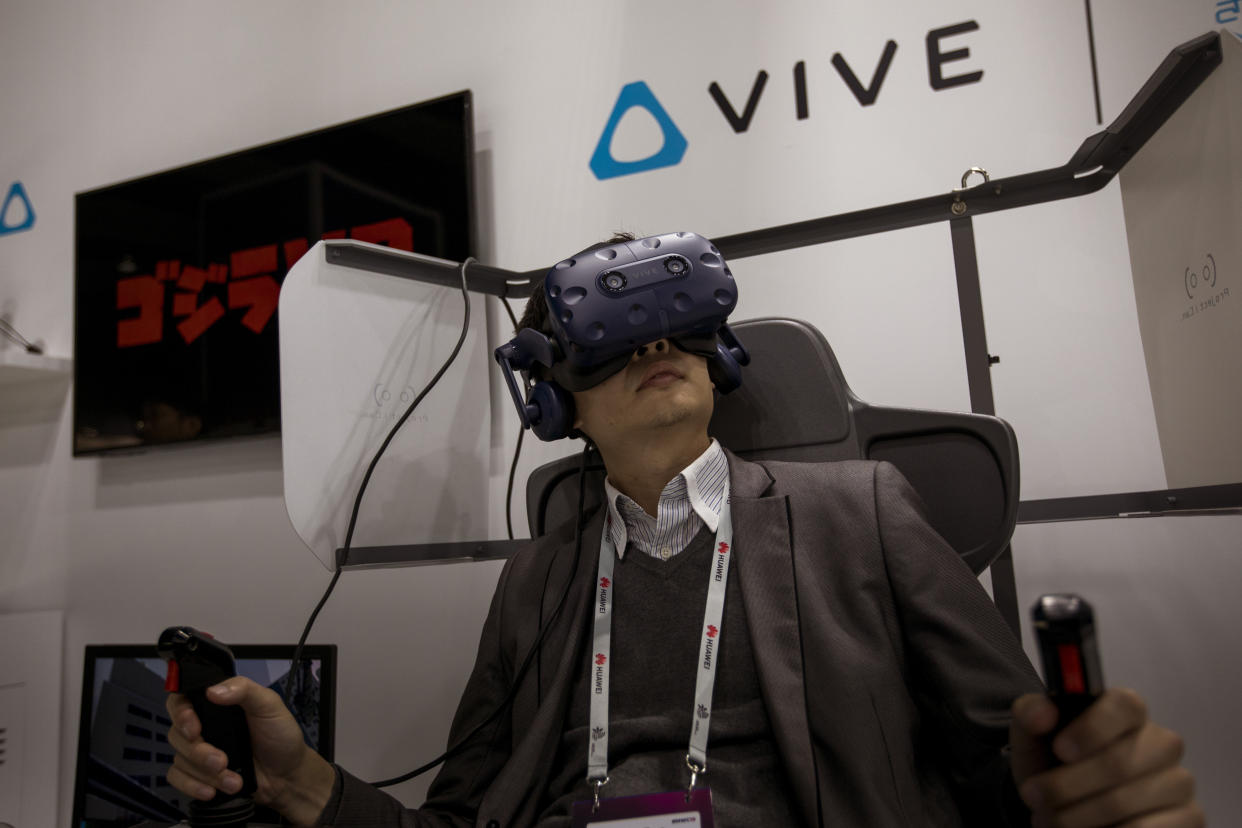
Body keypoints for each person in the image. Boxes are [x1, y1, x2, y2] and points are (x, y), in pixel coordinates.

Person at [167, 234, 1202, 826]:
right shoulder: (540, 578)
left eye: (675, 323)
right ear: (553, 402)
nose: (654, 343)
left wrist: (1081, 787)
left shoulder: (863, 512)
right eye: (610, 339)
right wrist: (301, 782)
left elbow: (1009, 763)